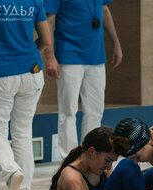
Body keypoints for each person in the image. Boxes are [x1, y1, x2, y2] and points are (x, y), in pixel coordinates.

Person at [0, 0, 58, 190]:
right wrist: (28, 51)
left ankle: (11, 171)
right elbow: (46, 39)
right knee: (23, 133)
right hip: (31, 71)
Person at [44, 0, 123, 160]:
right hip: (69, 55)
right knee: (68, 111)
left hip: (96, 56)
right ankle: (70, 158)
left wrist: (116, 43)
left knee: (95, 111)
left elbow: (104, 10)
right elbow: (49, 20)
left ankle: (91, 155)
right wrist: (50, 56)